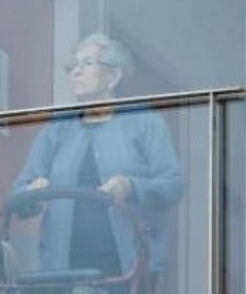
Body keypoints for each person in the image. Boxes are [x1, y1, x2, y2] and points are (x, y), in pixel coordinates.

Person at [10, 33, 182, 280]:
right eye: (73, 66)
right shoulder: (57, 129)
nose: (76, 72)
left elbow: (172, 185)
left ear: (113, 77)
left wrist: (130, 186)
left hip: (126, 266)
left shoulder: (145, 122)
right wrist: (33, 194)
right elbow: (18, 194)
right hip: (62, 268)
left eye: (87, 63)